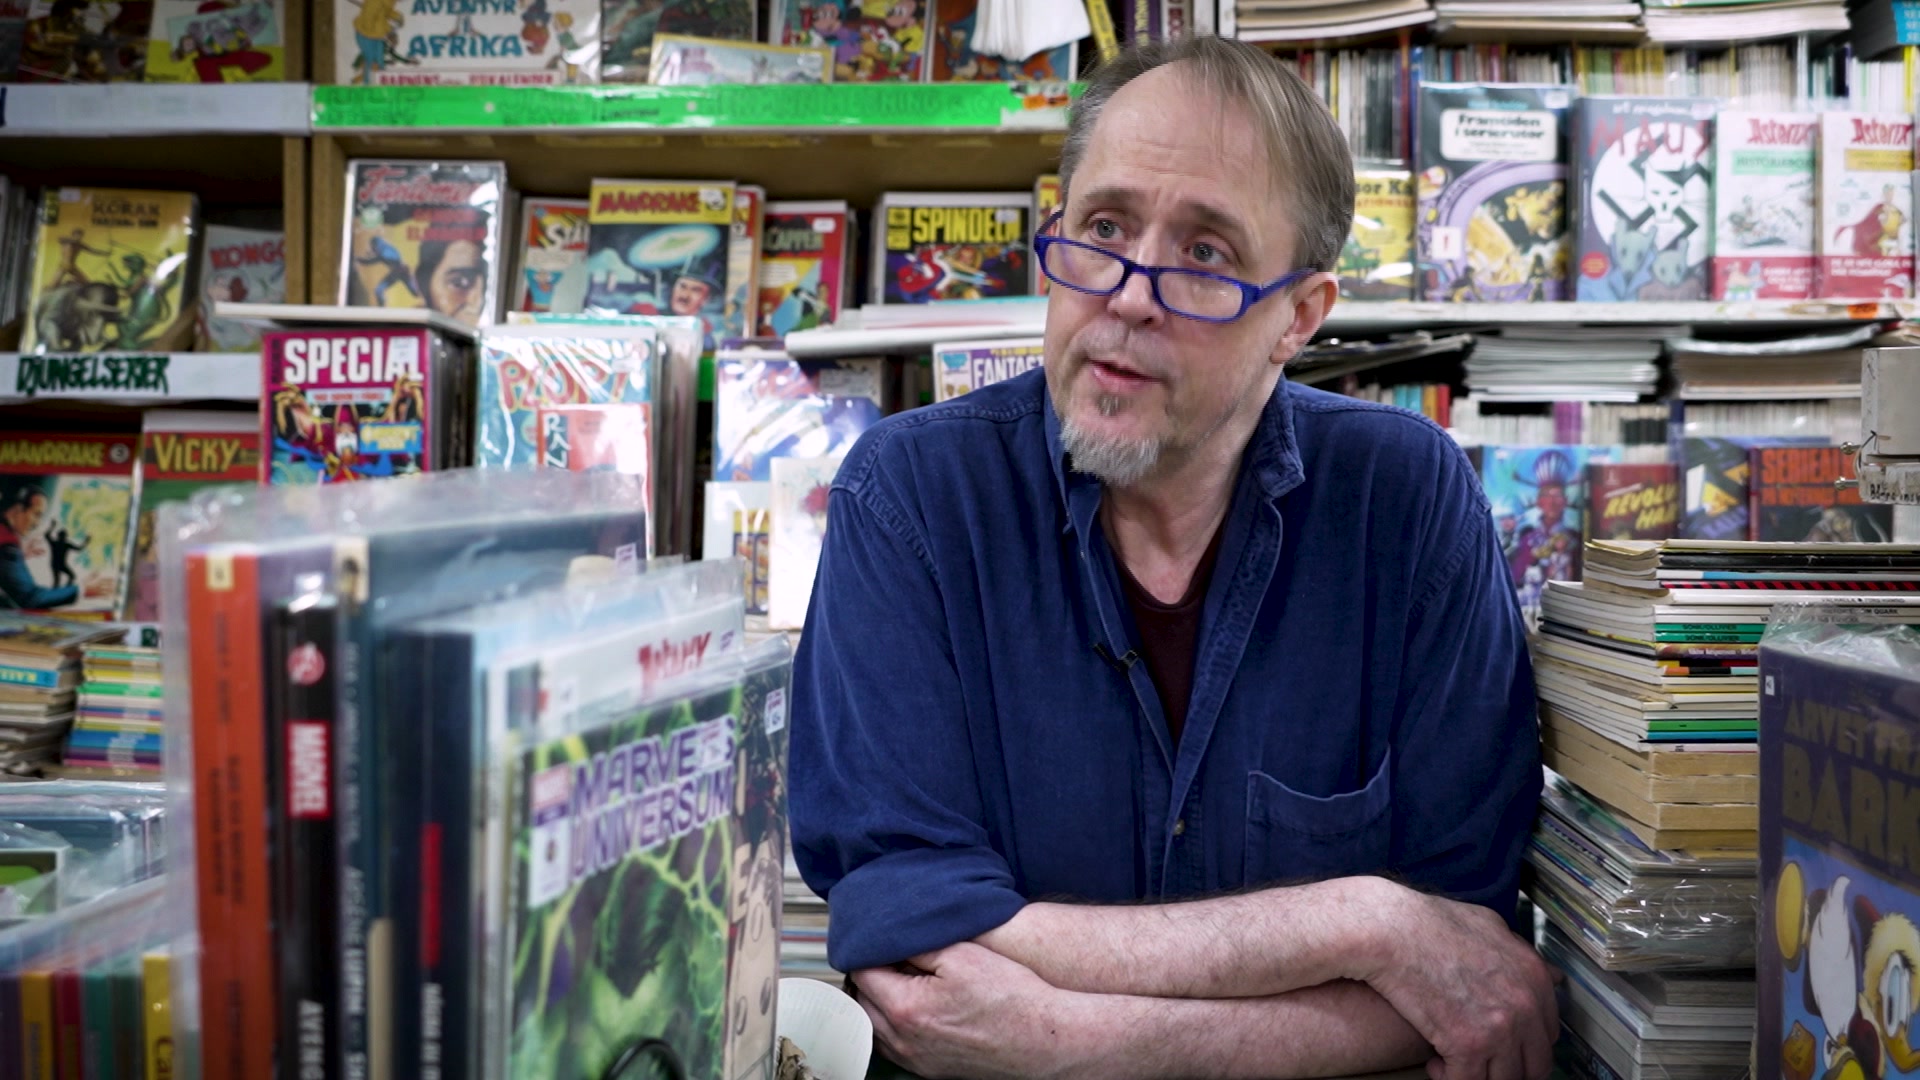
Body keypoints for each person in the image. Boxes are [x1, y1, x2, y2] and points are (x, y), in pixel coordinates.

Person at [790, 35, 1554, 1080]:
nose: (1129, 294)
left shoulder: (1409, 501)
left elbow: (1468, 971)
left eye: (1204, 252)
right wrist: (1365, 924)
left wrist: (1060, 1040)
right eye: (1104, 228)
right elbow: (911, 936)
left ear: (1298, 318)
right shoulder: (910, 497)